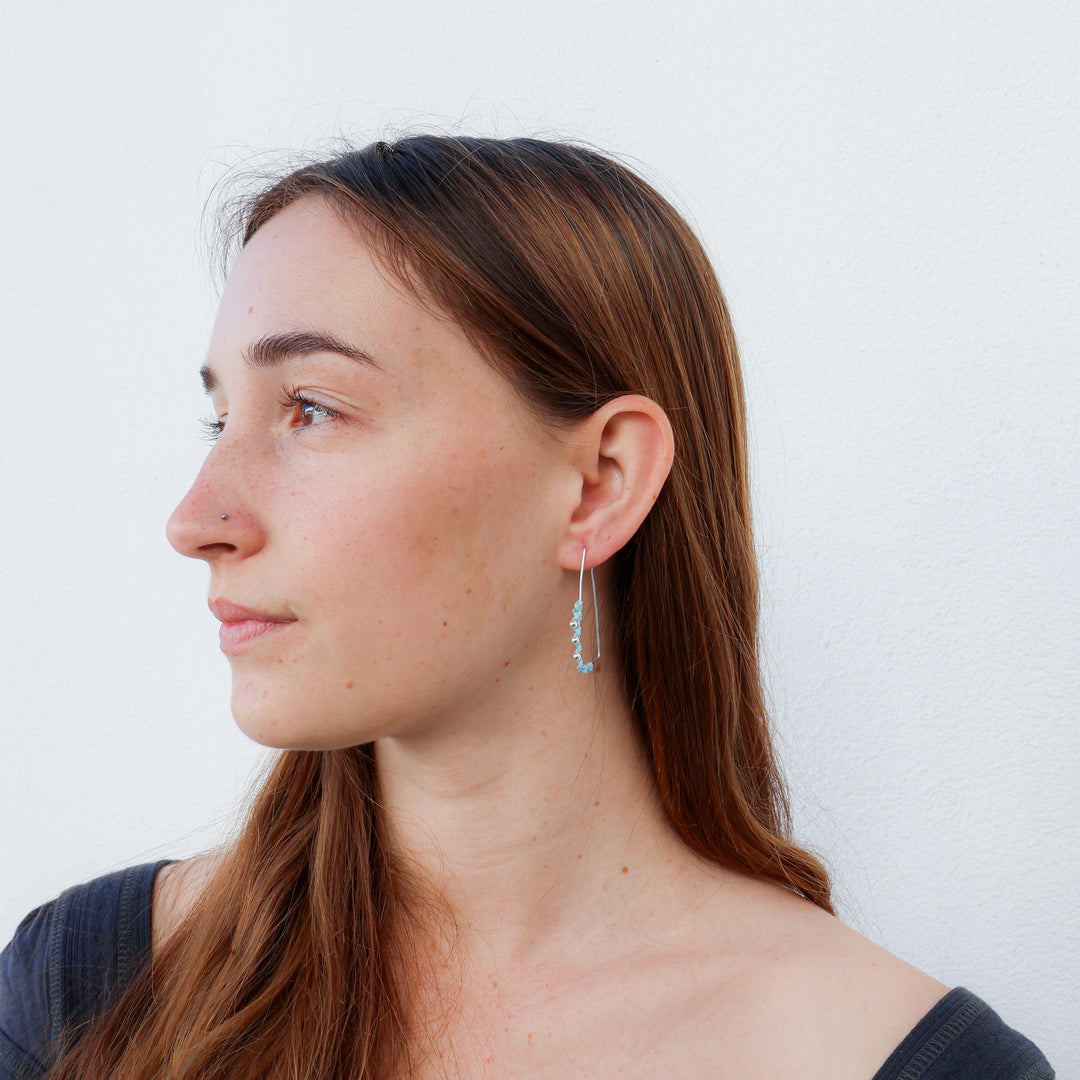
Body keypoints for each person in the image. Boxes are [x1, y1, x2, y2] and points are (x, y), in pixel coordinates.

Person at [0, 135, 1054, 1080]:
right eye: (219, 418)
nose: (196, 519)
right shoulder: (90, 990)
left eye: (310, 409)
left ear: (598, 483)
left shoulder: (903, 1062)